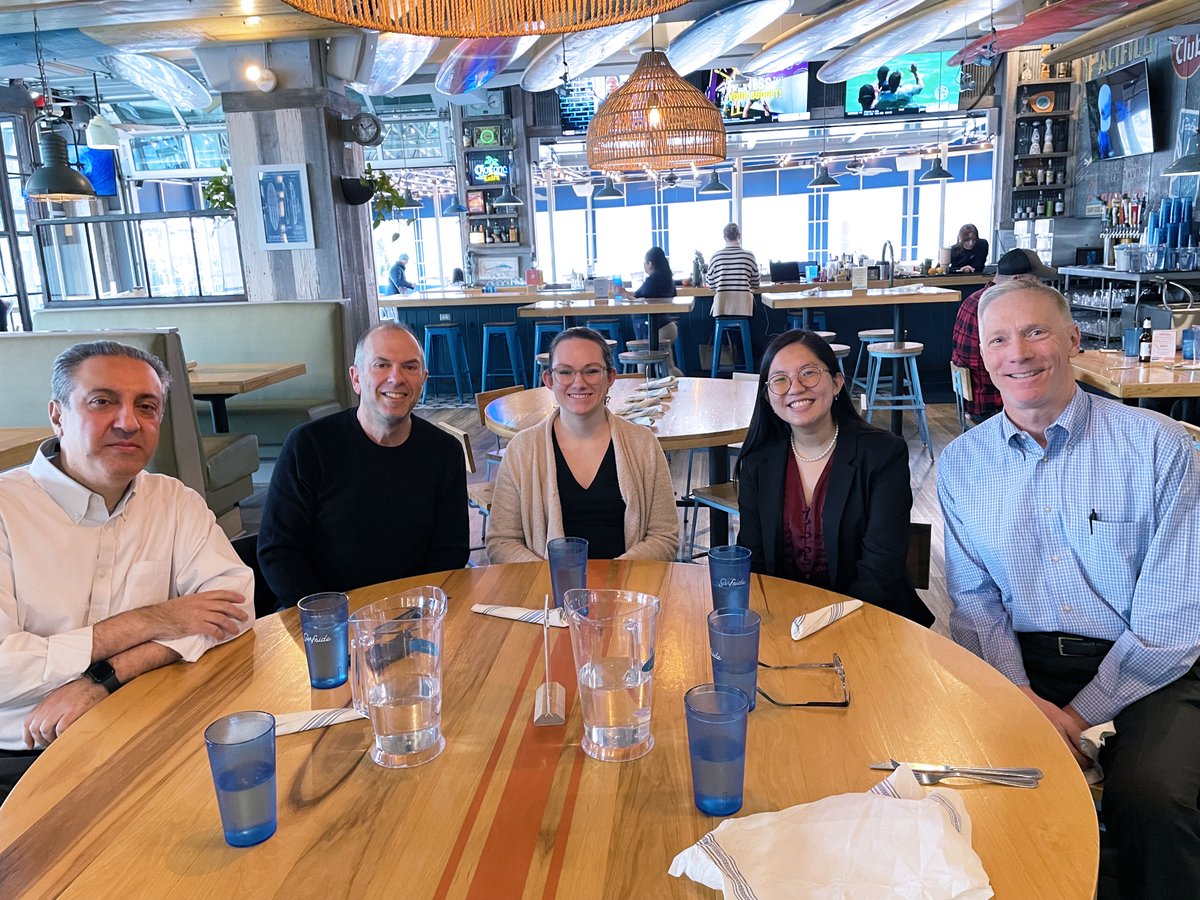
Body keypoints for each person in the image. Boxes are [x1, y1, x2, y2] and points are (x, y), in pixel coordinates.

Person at [938, 280, 1200, 900]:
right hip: (1018, 665)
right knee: (957, 780)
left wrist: (1078, 717)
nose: (1018, 353)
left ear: (1074, 339)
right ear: (982, 356)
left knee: (1154, 796)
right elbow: (975, 604)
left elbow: (1173, 617)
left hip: (1149, 666)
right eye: (999, 339)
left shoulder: (1160, 448)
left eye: (1036, 332)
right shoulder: (962, 463)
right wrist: (1025, 700)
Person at [0, 341, 253, 801]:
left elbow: (236, 608)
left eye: (146, 406)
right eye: (102, 401)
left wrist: (106, 678)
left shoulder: (172, 500)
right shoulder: (5, 511)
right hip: (24, 757)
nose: (128, 422)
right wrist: (154, 619)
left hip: (151, 722)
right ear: (57, 415)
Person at [258, 322, 469, 608]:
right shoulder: (309, 445)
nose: (396, 378)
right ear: (356, 378)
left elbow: (451, 552)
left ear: (423, 379)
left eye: (410, 367)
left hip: (411, 615)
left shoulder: (444, 452)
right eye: (381, 365)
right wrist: (332, 618)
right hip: (325, 619)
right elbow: (278, 551)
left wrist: (408, 613)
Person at [736, 331, 932, 626]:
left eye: (809, 373)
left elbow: (880, 570)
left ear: (837, 383)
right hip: (786, 623)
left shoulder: (883, 455)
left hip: (871, 622)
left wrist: (824, 628)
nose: (796, 388)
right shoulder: (758, 463)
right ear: (768, 396)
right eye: (780, 379)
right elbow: (756, 563)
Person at [486, 327, 678, 563]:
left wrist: (612, 579)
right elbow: (502, 542)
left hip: (628, 589)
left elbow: (664, 536)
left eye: (592, 371)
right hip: (548, 592)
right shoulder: (522, 450)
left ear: (610, 377)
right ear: (549, 380)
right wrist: (558, 579)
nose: (579, 382)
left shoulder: (643, 444)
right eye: (565, 372)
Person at [951, 248, 1056, 422]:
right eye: (1035, 282)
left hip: (972, 398)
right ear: (1016, 281)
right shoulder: (1001, 310)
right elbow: (999, 366)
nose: (1038, 288)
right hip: (992, 403)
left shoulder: (975, 299)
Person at [705, 223, 761, 370]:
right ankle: (750, 365)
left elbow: (711, 285)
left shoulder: (716, 256)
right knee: (752, 327)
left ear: (724, 237)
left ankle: (723, 367)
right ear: (739, 236)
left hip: (721, 309)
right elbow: (756, 282)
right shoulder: (749, 255)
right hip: (744, 309)